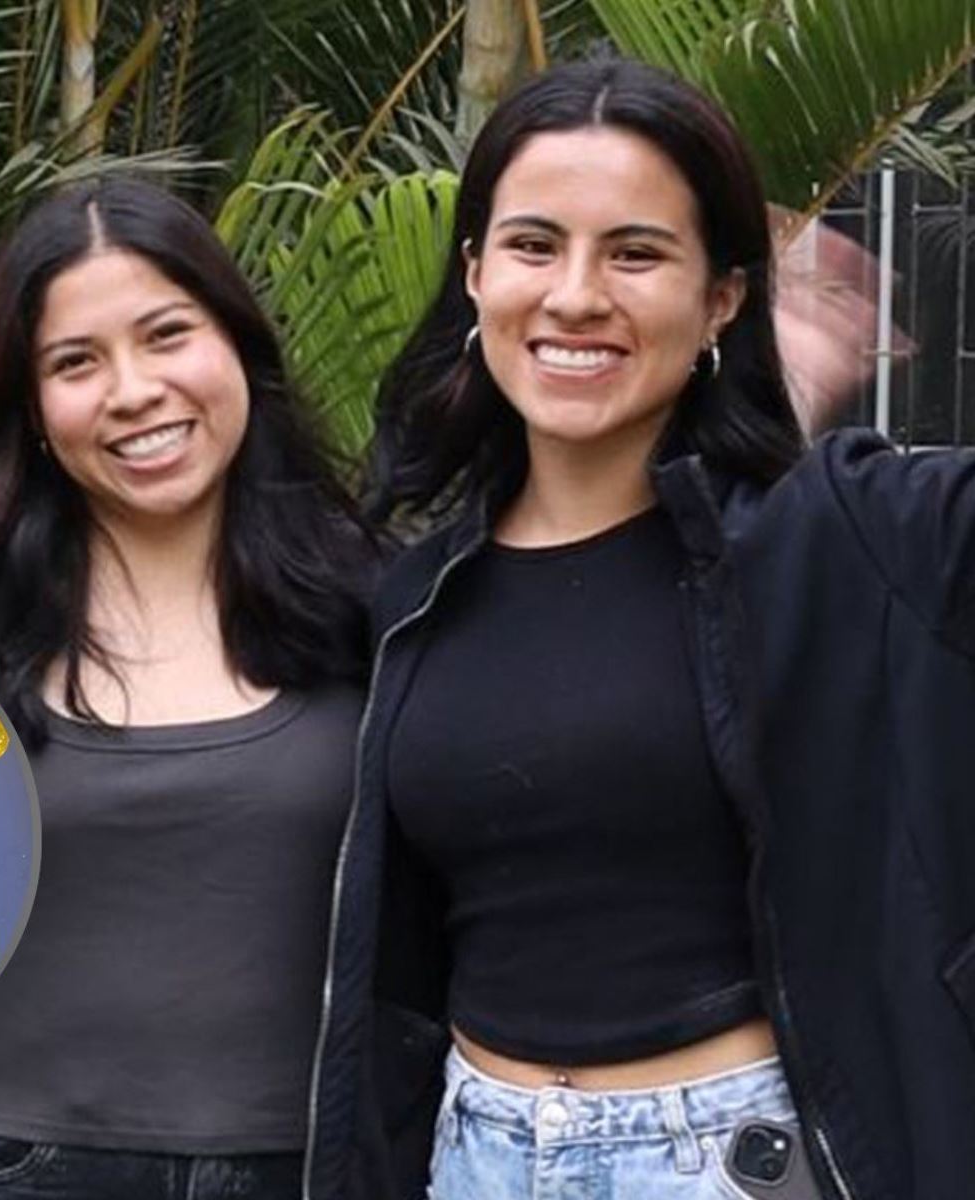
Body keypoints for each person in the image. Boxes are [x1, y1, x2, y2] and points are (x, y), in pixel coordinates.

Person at [304, 59, 975, 1200]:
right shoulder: (410, 593)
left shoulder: (850, 533)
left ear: (722, 297)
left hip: (732, 1159)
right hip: (470, 1154)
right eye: (532, 245)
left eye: (636, 252)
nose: (574, 295)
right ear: (473, 275)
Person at [0, 177, 380, 1199]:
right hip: (27, 1168)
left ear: (237, 349)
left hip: (322, 1162)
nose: (133, 391)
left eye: (167, 334)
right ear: (32, 408)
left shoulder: (368, 596)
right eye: (76, 363)